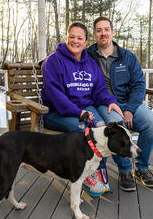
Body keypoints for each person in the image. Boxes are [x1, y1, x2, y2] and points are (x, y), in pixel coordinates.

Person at [41, 22, 124, 196]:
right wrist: (78, 112)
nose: (75, 41)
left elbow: (100, 89)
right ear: (66, 37)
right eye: (72, 36)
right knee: (82, 129)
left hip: (84, 109)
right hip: (57, 113)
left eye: (80, 38)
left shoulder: (90, 63)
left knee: (101, 126)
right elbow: (56, 96)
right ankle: (85, 175)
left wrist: (110, 101)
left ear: (86, 41)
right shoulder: (53, 62)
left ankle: (96, 170)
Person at [88, 16, 153, 191]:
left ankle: (142, 168)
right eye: (99, 30)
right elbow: (68, 58)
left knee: (152, 123)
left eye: (106, 29)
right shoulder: (88, 56)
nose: (103, 33)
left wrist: (129, 109)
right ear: (94, 34)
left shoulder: (127, 57)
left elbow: (139, 84)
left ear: (112, 32)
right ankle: (125, 170)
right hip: (103, 103)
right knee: (115, 125)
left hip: (128, 102)